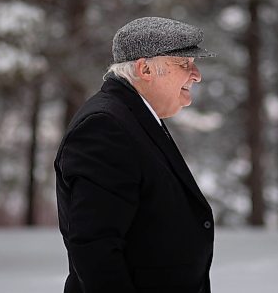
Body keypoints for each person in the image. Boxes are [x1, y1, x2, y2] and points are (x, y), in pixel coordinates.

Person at [54, 16, 216, 293]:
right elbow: (95, 248)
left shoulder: (135, 118)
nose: (197, 74)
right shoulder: (105, 127)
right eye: (185, 63)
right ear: (145, 69)